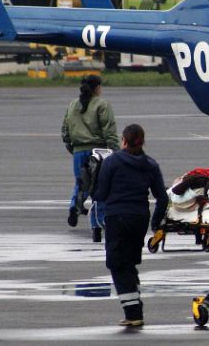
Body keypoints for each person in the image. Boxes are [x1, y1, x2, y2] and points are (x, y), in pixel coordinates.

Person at [93, 124, 168, 327]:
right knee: (129, 263)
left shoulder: (112, 162)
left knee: (117, 264)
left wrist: (90, 186)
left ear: (123, 141)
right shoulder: (151, 164)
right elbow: (162, 197)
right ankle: (135, 309)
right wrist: (155, 223)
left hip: (117, 217)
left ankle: (133, 312)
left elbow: (101, 194)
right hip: (140, 219)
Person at [61, 75, 119, 242]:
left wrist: (72, 148)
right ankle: (99, 222)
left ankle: (74, 206)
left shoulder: (72, 105)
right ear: (98, 88)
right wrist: (115, 152)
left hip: (79, 151)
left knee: (81, 182)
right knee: (100, 188)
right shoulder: (102, 104)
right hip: (99, 151)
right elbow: (109, 130)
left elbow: (64, 130)